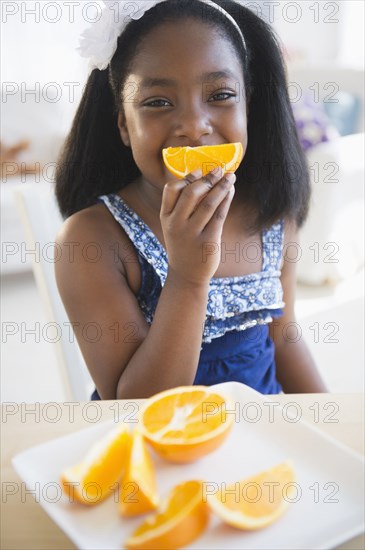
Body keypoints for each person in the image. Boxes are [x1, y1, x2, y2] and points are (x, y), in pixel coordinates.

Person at [55, 0, 327, 399]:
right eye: (158, 102)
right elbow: (132, 409)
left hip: (259, 446)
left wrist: (337, 426)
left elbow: (284, 337)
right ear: (123, 125)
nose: (194, 127)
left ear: (249, 105)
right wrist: (187, 277)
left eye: (220, 94)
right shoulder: (89, 241)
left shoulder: (272, 216)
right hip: (158, 453)